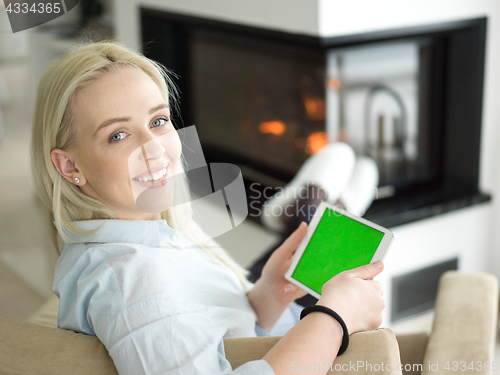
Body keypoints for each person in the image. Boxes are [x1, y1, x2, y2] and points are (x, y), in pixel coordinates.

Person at [30, 40, 385, 375]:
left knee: (303, 243)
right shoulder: (132, 281)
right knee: (319, 225)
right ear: (69, 166)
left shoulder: (132, 242)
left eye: (157, 121)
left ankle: (317, 205)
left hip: (264, 326)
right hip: (294, 346)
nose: (155, 148)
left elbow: (212, 328)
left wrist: (268, 296)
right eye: (118, 135)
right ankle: (321, 204)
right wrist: (334, 316)